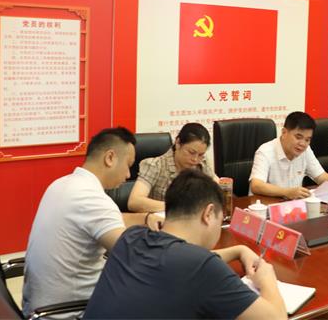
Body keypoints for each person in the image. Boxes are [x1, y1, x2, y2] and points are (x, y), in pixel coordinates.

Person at [83, 169, 287, 319]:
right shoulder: (202, 266)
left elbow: (179, 264)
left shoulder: (132, 237)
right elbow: (276, 318)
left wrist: (238, 250)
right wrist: (267, 278)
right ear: (208, 213)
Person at [22, 127, 162, 316]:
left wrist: (145, 218)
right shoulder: (93, 199)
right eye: (128, 165)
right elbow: (134, 255)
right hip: (71, 312)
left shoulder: (62, 184)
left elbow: (106, 220)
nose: (129, 175)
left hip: (40, 307)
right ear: (110, 158)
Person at [128, 122, 219, 213]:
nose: (195, 159)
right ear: (178, 143)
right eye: (191, 152)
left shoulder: (202, 163)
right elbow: (134, 202)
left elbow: (218, 187)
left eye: (200, 154)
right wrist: (179, 207)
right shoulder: (155, 165)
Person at [250, 111, 328, 199]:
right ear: (284, 133)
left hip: (294, 204)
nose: (302, 144)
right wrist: (286, 192)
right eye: (298, 137)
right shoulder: (265, 151)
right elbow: (256, 185)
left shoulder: (306, 150)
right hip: (267, 204)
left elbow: (320, 176)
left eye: (307, 140)